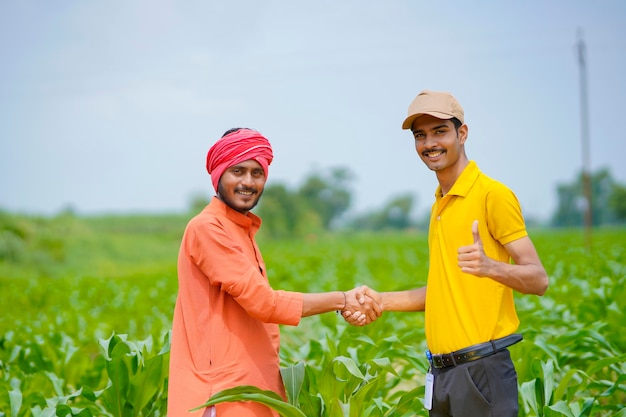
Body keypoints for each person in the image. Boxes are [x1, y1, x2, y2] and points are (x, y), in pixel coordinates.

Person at [345, 90, 549, 416]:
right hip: (441, 375)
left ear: (462, 133)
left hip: (481, 371)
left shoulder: (492, 195)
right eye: (420, 136)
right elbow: (443, 290)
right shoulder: (439, 203)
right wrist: (380, 301)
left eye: (440, 131)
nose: (429, 144)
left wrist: (489, 267)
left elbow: (539, 279)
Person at [167, 127, 382, 417]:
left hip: (251, 389)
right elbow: (264, 303)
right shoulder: (208, 228)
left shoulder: (241, 230)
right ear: (218, 175)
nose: (248, 182)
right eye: (238, 171)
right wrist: (343, 299)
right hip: (223, 395)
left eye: (257, 173)